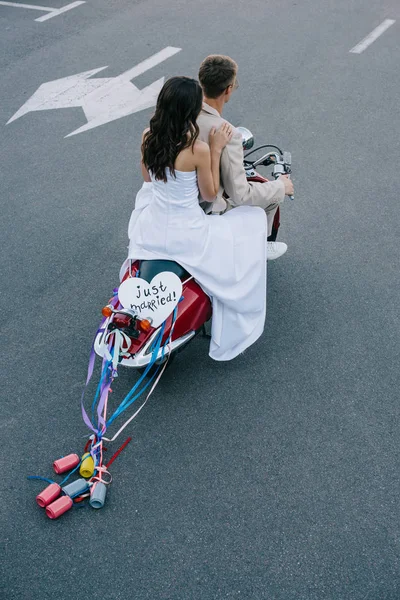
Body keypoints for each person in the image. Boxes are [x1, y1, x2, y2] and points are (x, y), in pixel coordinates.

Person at [125, 76, 270, 361]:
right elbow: (209, 192)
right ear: (191, 110)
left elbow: (148, 179)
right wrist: (215, 149)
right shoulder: (197, 149)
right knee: (250, 220)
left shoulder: (147, 136)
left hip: (152, 228)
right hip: (187, 232)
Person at [197, 55, 294, 260]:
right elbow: (240, 194)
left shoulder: (183, 115)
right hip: (207, 207)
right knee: (270, 197)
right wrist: (280, 187)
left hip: (177, 200)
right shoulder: (227, 132)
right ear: (228, 89)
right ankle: (260, 247)